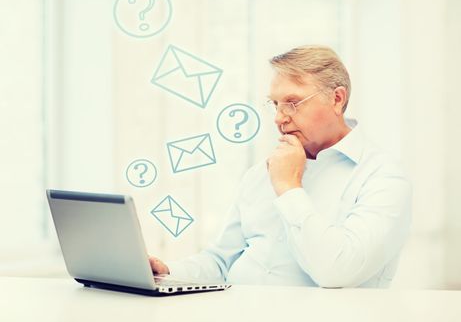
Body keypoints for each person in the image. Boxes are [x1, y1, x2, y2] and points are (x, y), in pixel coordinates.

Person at [149, 45, 412, 288]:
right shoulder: (260, 173)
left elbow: (337, 271)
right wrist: (167, 271)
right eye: (275, 104)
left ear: (337, 99)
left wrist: (289, 188)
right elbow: (221, 261)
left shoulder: (383, 178)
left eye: (293, 103)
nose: (279, 118)